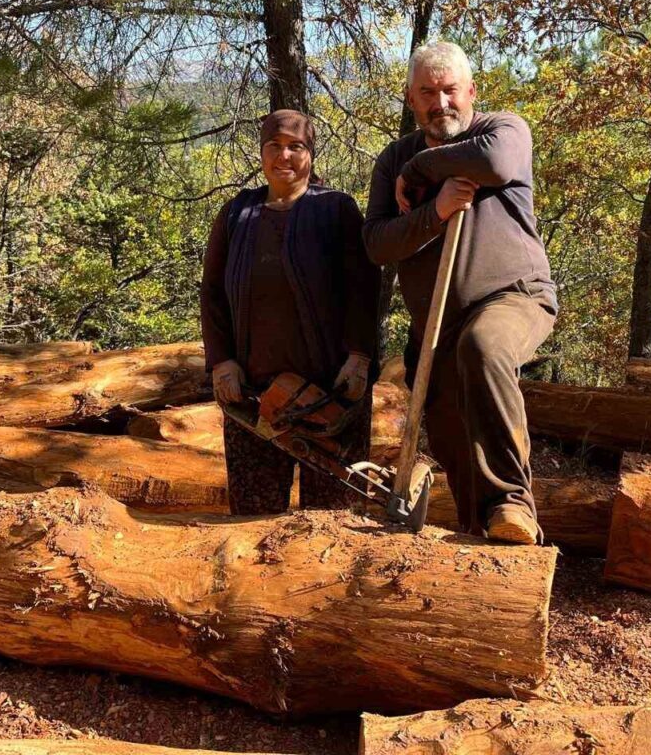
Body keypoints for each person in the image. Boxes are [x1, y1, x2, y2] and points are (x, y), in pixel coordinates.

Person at [364, 42, 558, 544]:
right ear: (411, 98)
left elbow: (494, 162)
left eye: (450, 90)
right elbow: (377, 243)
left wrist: (422, 169)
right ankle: (484, 536)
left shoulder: (503, 129)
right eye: (427, 93)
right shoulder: (392, 159)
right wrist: (435, 211)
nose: (441, 103)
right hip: (436, 325)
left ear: (471, 90)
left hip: (514, 296)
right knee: (451, 434)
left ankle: (513, 503)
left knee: (485, 346)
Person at [201, 109, 380, 515]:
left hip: (333, 395)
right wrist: (222, 362)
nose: (284, 156)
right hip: (252, 397)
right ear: (262, 152)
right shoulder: (236, 214)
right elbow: (212, 293)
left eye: (296, 146)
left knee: (335, 520)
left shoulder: (336, 209)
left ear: (310, 153)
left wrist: (359, 357)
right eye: (275, 146)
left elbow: (364, 289)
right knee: (253, 518)